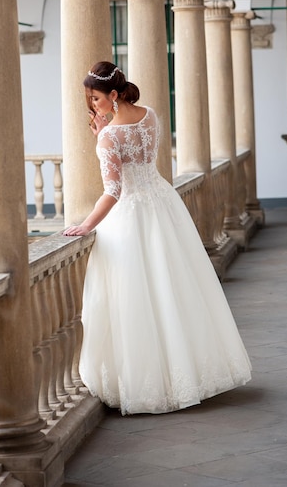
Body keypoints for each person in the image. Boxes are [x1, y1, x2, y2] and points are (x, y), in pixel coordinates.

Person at [64, 60, 251, 415]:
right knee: (176, 290)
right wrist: (105, 130)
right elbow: (141, 156)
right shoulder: (149, 115)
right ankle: (190, 371)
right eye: (90, 102)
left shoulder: (108, 137)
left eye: (97, 100)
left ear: (114, 94)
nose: (93, 107)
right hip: (164, 206)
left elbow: (114, 190)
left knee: (138, 298)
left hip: (131, 217)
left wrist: (87, 224)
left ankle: (153, 381)